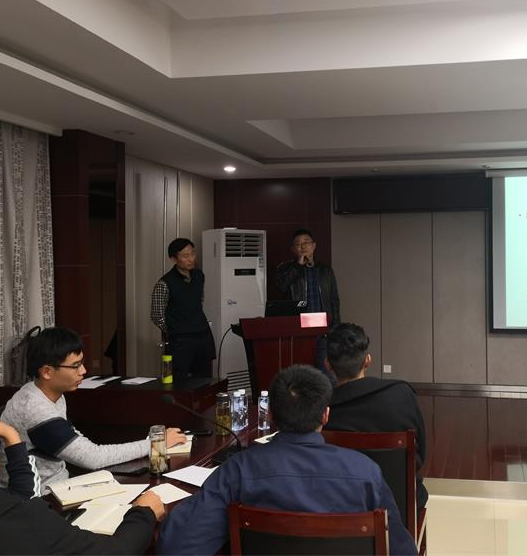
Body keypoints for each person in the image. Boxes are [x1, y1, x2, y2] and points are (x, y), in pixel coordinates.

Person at [157, 365, 417, 555]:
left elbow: (178, 546)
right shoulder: (366, 472)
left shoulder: (238, 470)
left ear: (269, 414)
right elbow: (401, 551)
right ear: (325, 415)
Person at [0, 326, 186, 492]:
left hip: (59, 483)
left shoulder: (50, 393)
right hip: (40, 497)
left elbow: (75, 439)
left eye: (81, 363)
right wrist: (155, 444)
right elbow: (92, 458)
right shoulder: (35, 409)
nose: (83, 371)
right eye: (75, 366)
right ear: (47, 372)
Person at [0, 407, 165, 554]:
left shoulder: (5, 510)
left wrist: (10, 434)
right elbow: (119, 551)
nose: (82, 374)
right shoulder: (23, 520)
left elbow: (20, 501)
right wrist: (144, 513)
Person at [324, 322, 428, 511]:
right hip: (401, 504)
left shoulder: (321, 410)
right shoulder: (401, 394)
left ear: (328, 365)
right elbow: (421, 454)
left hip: (343, 504)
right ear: (367, 361)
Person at [275, 229, 340, 376]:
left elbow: (334, 299)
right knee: (301, 370)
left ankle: (328, 392)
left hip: (323, 326)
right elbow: (281, 286)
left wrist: (335, 327)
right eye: (298, 244)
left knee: (326, 370)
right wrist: (298, 265)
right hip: (298, 327)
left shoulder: (325, 270)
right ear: (293, 249)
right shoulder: (285, 268)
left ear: (314, 246)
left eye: (306, 242)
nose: (303, 246)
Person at [151, 237, 215, 379]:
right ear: (174, 259)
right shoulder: (164, 283)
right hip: (180, 341)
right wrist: (175, 329)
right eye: (185, 256)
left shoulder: (199, 275)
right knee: (178, 380)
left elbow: (199, 302)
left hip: (203, 335)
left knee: (204, 379)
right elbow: (157, 316)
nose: (191, 259)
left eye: (192, 254)